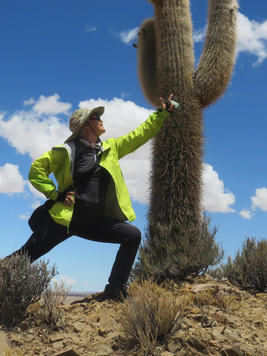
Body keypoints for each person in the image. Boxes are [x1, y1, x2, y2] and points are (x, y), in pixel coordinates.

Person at [12, 95, 178, 301]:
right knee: (25, 256)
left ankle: (115, 289)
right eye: (95, 116)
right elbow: (36, 169)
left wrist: (161, 114)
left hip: (94, 222)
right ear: (84, 126)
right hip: (65, 221)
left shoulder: (111, 148)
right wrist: (55, 194)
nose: (100, 118)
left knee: (132, 235)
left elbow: (139, 136)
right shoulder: (69, 151)